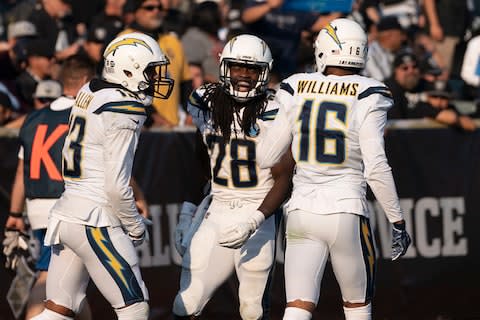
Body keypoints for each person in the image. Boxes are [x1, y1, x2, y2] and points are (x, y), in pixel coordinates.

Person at [256, 18, 412, 320]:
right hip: (346, 210)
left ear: (323, 50)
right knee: (356, 306)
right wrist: (397, 220)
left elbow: (266, 156)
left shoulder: (295, 85)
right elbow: (376, 166)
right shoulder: (370, 92)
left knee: (297, 306)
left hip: (301, 211)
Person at [29, 32, 174, 320]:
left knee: (58, 311)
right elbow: (117, 186)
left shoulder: (91, 91)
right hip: (95, 219)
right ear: (129, 70)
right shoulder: (125, 108)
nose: (156, 79)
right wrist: (134, 225)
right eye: (150, 71)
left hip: (68, 213)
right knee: (135, 308)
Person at [172, 34, 294, 320]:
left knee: (251, 310)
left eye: (252, 70)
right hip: (217, 210)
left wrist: (255, 220)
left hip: (257, 212)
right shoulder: (205, 102)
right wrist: (187, 212)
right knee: (185, 304)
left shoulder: (276, 110)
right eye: (238, 67)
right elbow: (201, 162)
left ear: (265, 73)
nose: (244, 76)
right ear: (224, 66)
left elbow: (283, 177)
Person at [3, 55, 95, 319]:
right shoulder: (83, 115)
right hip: (68, 206)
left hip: (38, 207)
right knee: (49, 280)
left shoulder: (33, 118)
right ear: (86, 81)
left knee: (72, 282)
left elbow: (22, 170)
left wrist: (15, 213)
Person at [120, 0, 192, 127]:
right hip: (139, 126)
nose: (156, 11)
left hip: (171, 125)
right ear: (136, 12)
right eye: (150, 8)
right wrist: (152, 116)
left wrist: (191, 113)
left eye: (159, 7)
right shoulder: (125, 40)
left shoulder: (172, 41)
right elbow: (122, 85)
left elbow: (185, 83)